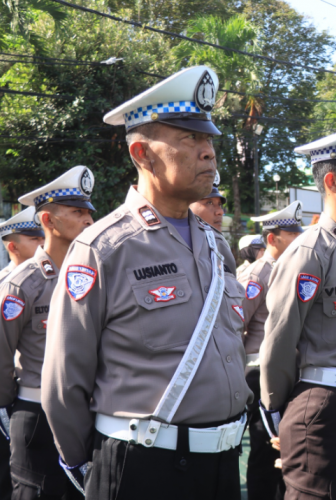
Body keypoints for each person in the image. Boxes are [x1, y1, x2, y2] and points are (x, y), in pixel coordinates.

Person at [42, 66, 252, 500]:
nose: (209, 152)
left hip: (223, 464)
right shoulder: (103, 249)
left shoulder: (216, 245)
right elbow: (65, 380)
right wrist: (93, 466)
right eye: (189, 139)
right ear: (142, 154)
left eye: (209, 139)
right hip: (142, 466)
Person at [259, 118, 336, 500]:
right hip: (321, 407)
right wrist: (278, 417)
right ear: (331, 182)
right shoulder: (311, 250)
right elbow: (279, 340)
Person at [0, 166, 95, 500]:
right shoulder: (22, 282)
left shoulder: (97, 275)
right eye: (77, 212)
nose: (88, 221)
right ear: (48, 221)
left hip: (89, 414)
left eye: (89, 213)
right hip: (38, 414)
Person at [238, 201, 303, 500]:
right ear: (273, 238)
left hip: (286, 370)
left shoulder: (292, 268)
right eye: (292, 233)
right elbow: (237, 324)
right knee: (265, 448)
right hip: (259, 372)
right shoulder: (257, 274)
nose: (299, 236)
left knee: (285, 448)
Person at [0, 207, 44, 500]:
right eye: (33, 238)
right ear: (12, 245)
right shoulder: (10, 286)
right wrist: (7, 404)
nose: (42, 242)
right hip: (18, 401)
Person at [0, 207, 44, 284]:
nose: (43, 243)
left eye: (44, 238)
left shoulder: (52, 274)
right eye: (35, 239)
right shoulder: (5, 282)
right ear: (13, 247)